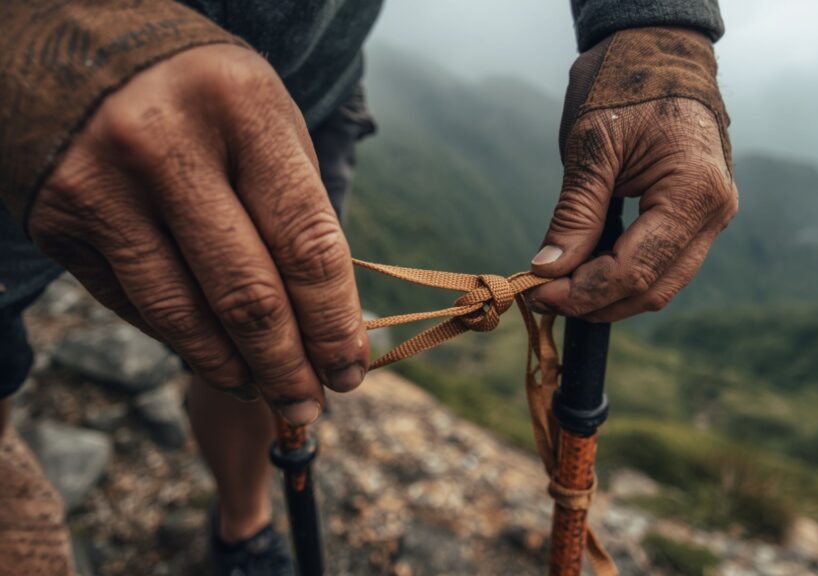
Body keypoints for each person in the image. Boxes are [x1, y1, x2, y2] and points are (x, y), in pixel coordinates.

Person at [0, 1, 738, 574]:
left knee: (264, 345)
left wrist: (657, 21)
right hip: (24, 107)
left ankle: (244, 524)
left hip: (299, 90)